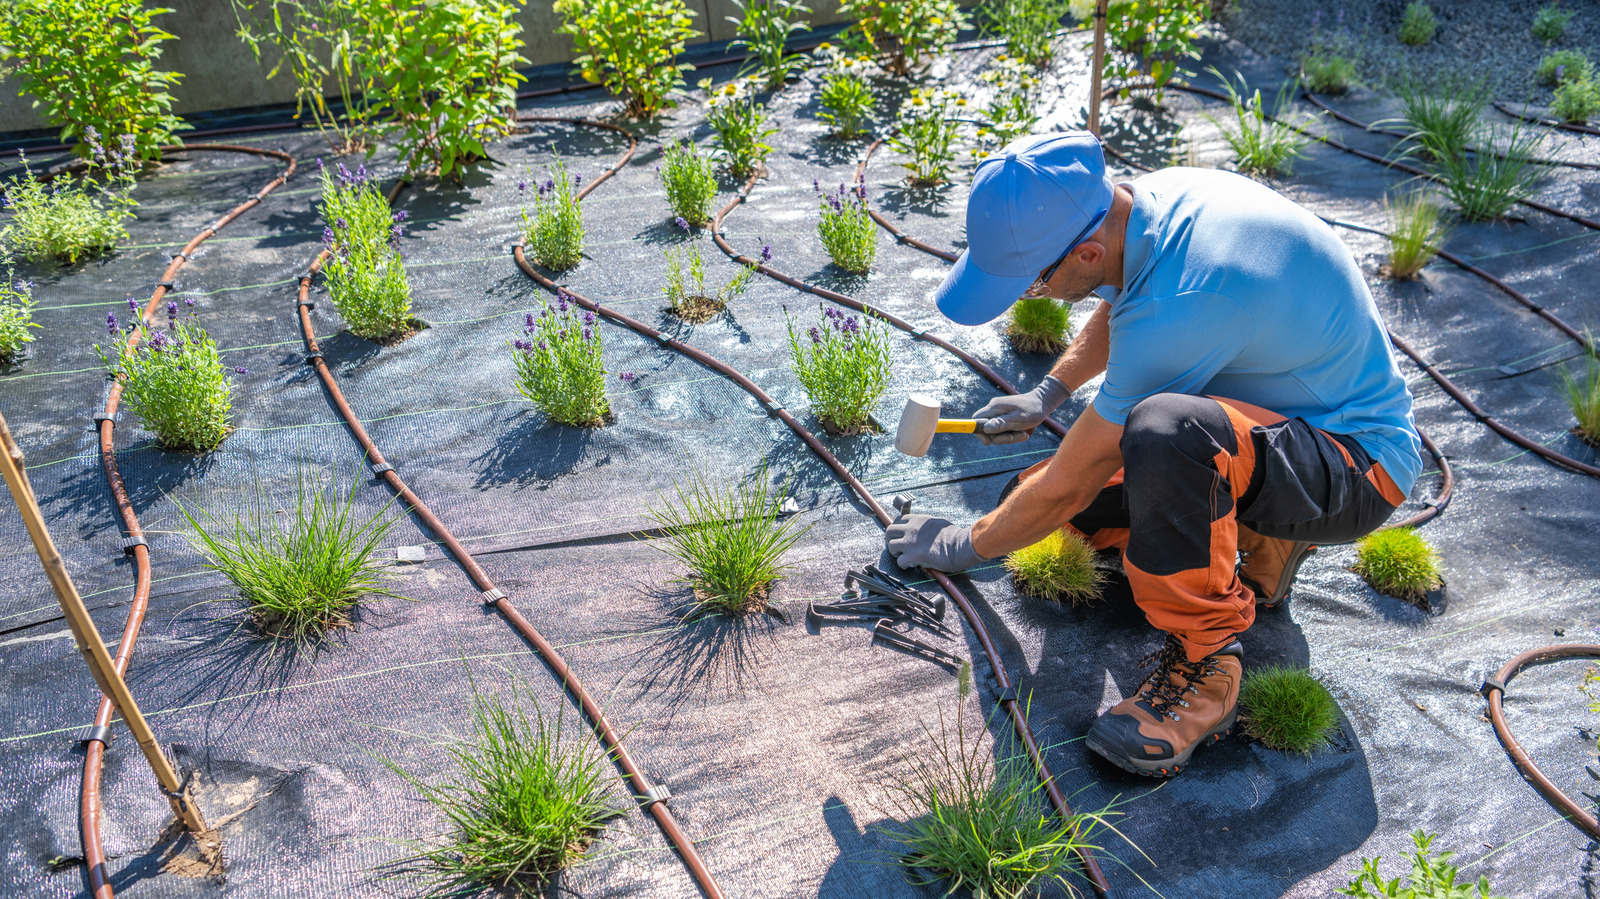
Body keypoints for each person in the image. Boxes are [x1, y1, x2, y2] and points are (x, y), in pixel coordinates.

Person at [884, 131, 1421, 778]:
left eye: (1031, 283)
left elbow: (1068, 485)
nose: (1031, 296)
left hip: (1355, 465)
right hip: (1279, 422)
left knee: (1162, 436)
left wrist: (962, 545)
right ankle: (1258, 538)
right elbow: (1123, 305)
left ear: (1085, 250)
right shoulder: (1144, 206)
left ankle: (1207, 663)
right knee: (1041, 505)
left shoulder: (1184, 301)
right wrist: (1049, 395)